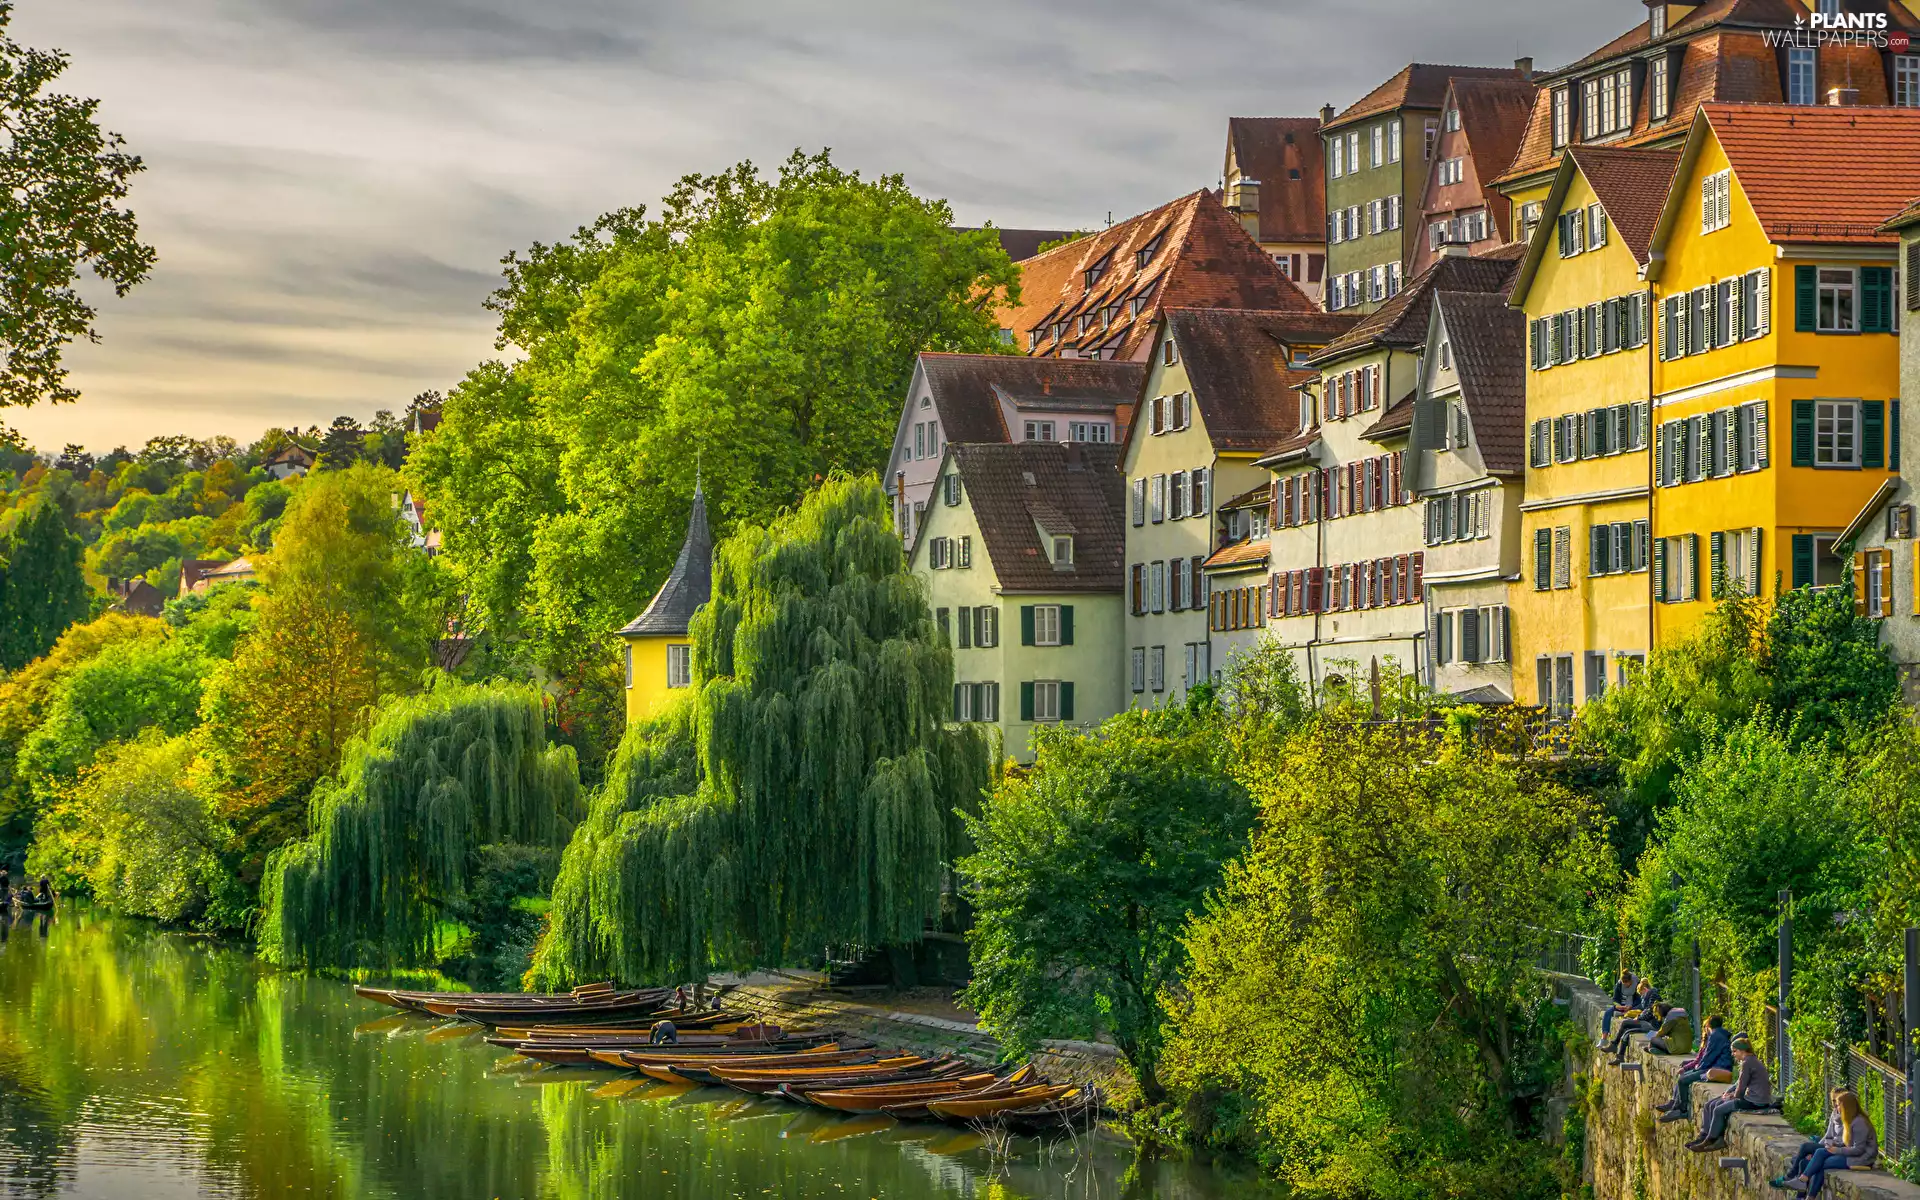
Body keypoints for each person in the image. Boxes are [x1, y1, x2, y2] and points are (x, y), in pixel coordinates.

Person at [1784, 1089, 1877, 1196]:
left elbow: (1858, 1150)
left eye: (1838, 1105)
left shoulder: (1859, 1123)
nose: (1836, 1108)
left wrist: (1837, 1150)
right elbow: (1846, 1143)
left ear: (1846, 1107)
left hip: (1861, 1159)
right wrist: (1833, 1147)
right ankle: (1802, 1185)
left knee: (1820, 1164)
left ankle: (1806, 1191)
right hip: (1850, 1154)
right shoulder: (1849, 1120)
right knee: (1817, 1154)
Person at [1688, 1036, 1771, 1151]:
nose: (1733, 1054)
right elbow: (1738, 1083)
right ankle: (1709, 1136)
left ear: (1742, 1051)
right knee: (1711, 1104)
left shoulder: (1747, 1063)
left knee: (1718, 1110)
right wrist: (1728, 1092)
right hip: (1752, 1098)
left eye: (1734, 1051)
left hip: (1754, 1101)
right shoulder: (1750, 1060)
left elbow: (1741, 1087)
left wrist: (1732, 1096)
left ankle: (1710, 1139)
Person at [1657, 1014, 1732, 1122]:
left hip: (1717, 1069)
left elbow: (1708, 1058)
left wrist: (1696, 1069)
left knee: (1683, 1080)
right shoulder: (1718, 1034)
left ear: (1709, 1025)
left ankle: (1682, 1110)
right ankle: (1674, 1106)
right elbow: (1706, 1057)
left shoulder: (1715, 1036)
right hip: (1715, 1067)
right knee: (1684, 1076)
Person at [1773, 1091, 1847, 1190]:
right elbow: (1828, 1135)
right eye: (1833, 1100)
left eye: (1837, 1101)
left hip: (1838, 1149)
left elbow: (1846, 1141)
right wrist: (1815, 1149)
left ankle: (1790, 1176)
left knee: (1805, 1147)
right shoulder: (1834, 1113)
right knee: (1801, 1161)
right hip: (1829, 1146)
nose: (1835, 1103)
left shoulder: (1848, 1116)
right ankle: (1800, 1193)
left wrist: (1817, 1150)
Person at [1601, 970, 1639, 1039]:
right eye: (1623, 983)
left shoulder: (1637, 985)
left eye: (1626, 983)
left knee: (1630, 1014)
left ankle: (1623, 1014)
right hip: (1621, 1006)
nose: (1624, 985)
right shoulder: (1619, 985)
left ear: (1630, 981)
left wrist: (1630, 1006)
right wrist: (1618, 1006)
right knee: (1608, 1012)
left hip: (1632, 1007)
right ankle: (1604, 1036)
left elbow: (1639, 1001)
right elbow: (1615, 999)